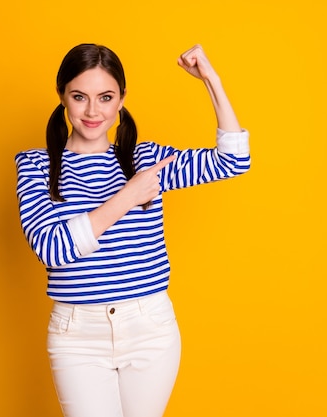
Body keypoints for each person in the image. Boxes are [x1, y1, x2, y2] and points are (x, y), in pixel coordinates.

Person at [15, 43, 250, 417]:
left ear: (121, 99)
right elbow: (52, 249)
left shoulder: (145, 159)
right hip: (78, 335)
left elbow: (233, 160)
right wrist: (127, 196)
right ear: (62, 96)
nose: (93, 111)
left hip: (150, 328)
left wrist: (211, 81)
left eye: (105, 97)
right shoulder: (37, 166)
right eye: (80, 97)